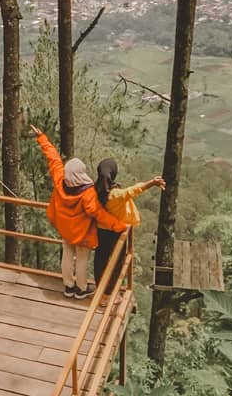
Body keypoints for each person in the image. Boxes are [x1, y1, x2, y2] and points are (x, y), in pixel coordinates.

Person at [31, 126, 127, 299]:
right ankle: (81, 290)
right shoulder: (87, 193)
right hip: (82, 233)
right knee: (82, 259)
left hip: (66, 229)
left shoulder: (60, 180)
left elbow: (54, 159)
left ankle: (68, 286)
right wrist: (119, 226)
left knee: (67, 255)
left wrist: (42, 138)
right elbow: (98, 213)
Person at [93, 159, 166, 289]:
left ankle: (99, 288)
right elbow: (133, 190)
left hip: (100, 230)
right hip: (117, 232)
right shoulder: (115, 194)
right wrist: (152, 182)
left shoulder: (95, 189)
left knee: (100, 261)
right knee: (117, 263)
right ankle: (108, 293)